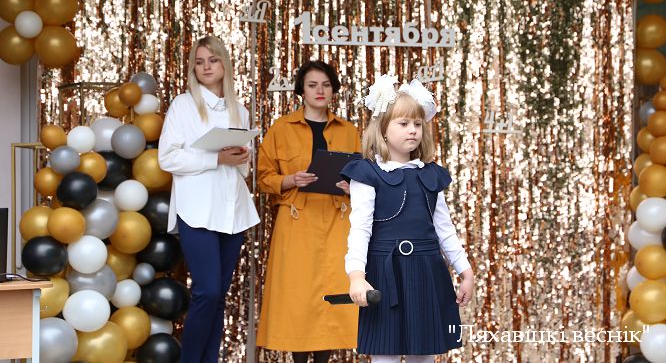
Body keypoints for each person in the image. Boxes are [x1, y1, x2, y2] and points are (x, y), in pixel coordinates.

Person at [340, 75, 474, 363]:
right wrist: (357, 277)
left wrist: (465, 270)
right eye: (403, 123)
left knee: (424, 354)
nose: (413, 130)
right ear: (383, 129)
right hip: (384, 274)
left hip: (426, 272)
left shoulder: (431, 175)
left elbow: (444, 230)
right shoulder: (367, 174)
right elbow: (360, 230)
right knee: (384, 353)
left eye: (417, 124)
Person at [158, 35, 259, 363]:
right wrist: (216, 158)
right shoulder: (183, 105)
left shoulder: (239, 111)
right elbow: (167, 158)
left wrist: (242, 156)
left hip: (233, 211)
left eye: (212, 60)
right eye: (199, 62)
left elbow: (243, 169)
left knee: (218, 298)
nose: (206, 67)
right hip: (197, 209)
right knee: (207, 291)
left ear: (224, 65)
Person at [256, 60, 361, 363]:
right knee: (298, 298)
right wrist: (290, 180)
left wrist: (352, 187)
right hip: (297, 221)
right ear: (301, 90)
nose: (320, 90)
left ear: (334, 90)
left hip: (337, 222)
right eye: (313, 85)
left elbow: (366, 177)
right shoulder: (281, 128)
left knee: (333, 295)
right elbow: (263, 177)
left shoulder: (349, 131)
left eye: (326, 85)